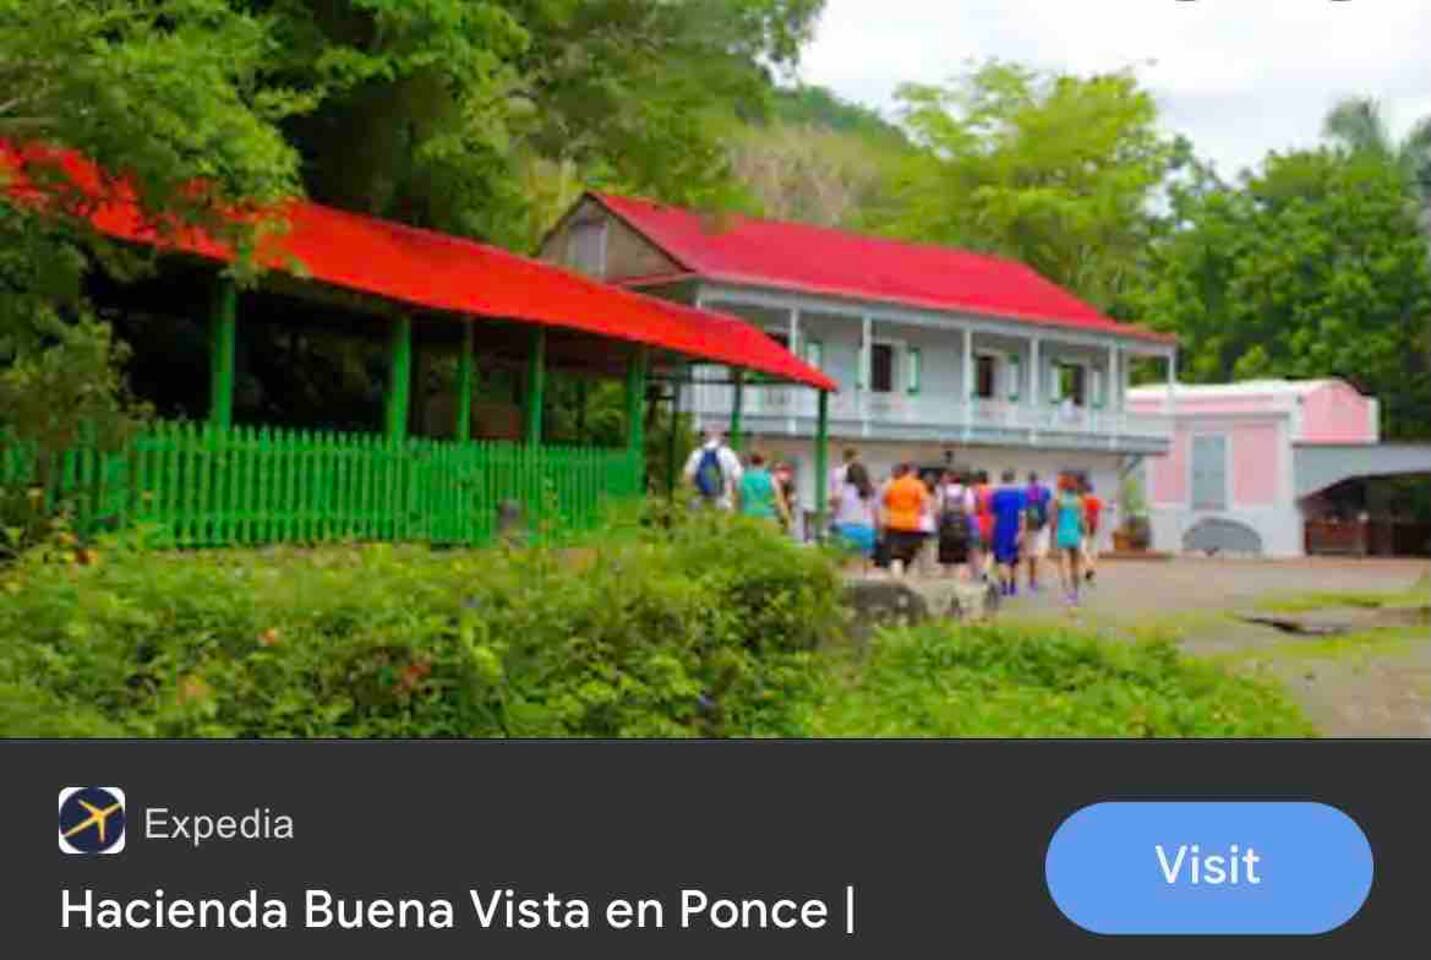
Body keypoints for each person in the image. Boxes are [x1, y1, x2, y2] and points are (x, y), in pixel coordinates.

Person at [881, 462, 929, 577]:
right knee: (909, 551)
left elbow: (885, 502)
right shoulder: (918, 485)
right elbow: (924, 505)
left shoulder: (893, 485)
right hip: (912, 523)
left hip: (894, 522)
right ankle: (905, 572)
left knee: (894, 552)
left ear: (902, 472)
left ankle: (896, 572)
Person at [682, 426, 742, 510]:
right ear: (722, 437)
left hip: (700, 502)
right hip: (724, 502)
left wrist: (689, 497)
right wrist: (735, 502)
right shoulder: (729, 454)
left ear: (705, 436)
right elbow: (737, 479)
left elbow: (687, 478)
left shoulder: (696, 453)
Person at [831, 460, 878, 567]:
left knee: (843, 566)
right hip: (866, 531)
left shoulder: (842, 489)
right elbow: (875, 513)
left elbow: (835, 508)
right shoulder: (870, 491)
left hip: (845, 530)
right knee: (863, 565)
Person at [989, 468, 1027, 596]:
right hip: (1015, 529)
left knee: (1001, 560)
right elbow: (1022, 515)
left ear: (1002, 478)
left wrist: (991, 532)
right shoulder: (1020, 494)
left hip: (1000, 530)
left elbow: (993, 516)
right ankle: (1013, 587)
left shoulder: (996, 494)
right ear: (1013, 478)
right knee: (1015, 560)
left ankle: (1004, 586)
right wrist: (1022, 532)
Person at [1052, 472, 1087, 607]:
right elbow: (1082, 521)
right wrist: (1085, 535)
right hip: (1075, 535)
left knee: (1063, 566)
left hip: (1062, 534)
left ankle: (1067, 595)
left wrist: (1053, 536)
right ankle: (1075, 595)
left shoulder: (1058, 500)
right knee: (1075, 566)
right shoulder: (1079, 501)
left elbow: (1054, 520)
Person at [936, 469, 973, 579]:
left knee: (945, 557)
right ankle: (958, 579)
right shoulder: (967, 491)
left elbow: (938, 510)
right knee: (961, 557)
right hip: (961, 527)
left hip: (946, 527)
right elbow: (970, 510)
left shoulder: (943, 491)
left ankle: (947, 578)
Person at [737, 451, 790, 527]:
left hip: (748, 517)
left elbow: (738, 500)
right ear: (764, 463)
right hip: (767, 517)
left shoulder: (743, 478)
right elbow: (780, 500)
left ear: (751, 462)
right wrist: (787, 518)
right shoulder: (771, 478)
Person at [1023, 471, 1052, 592]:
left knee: (1030, 554)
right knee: (1041, 554)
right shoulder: (1045, 491)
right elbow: (1049, 508)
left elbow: (1022, 510)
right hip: (1042, 525)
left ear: (1028, 479)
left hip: (1028, 526)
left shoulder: (1024, 492)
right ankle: (1038, 581)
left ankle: (1031, 582)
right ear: (1038, 479)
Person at [1081, 477, 1105, 584]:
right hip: (1095, 526)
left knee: (1084, 550)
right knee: (1093, 550)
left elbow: (1083, 515)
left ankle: (1089, 568)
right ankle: (1090, 569)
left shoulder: (1083, 501)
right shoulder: (1096, 500)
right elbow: (1102, 509)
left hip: (1085, 527)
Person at [972, 470, 994, 581]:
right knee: (989, 550)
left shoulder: (974, 491)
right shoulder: (991, 492)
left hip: (976, 523)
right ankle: (986, 570)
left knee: (977, 550)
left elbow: (973, 509)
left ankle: (978, 573)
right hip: (989, 523)